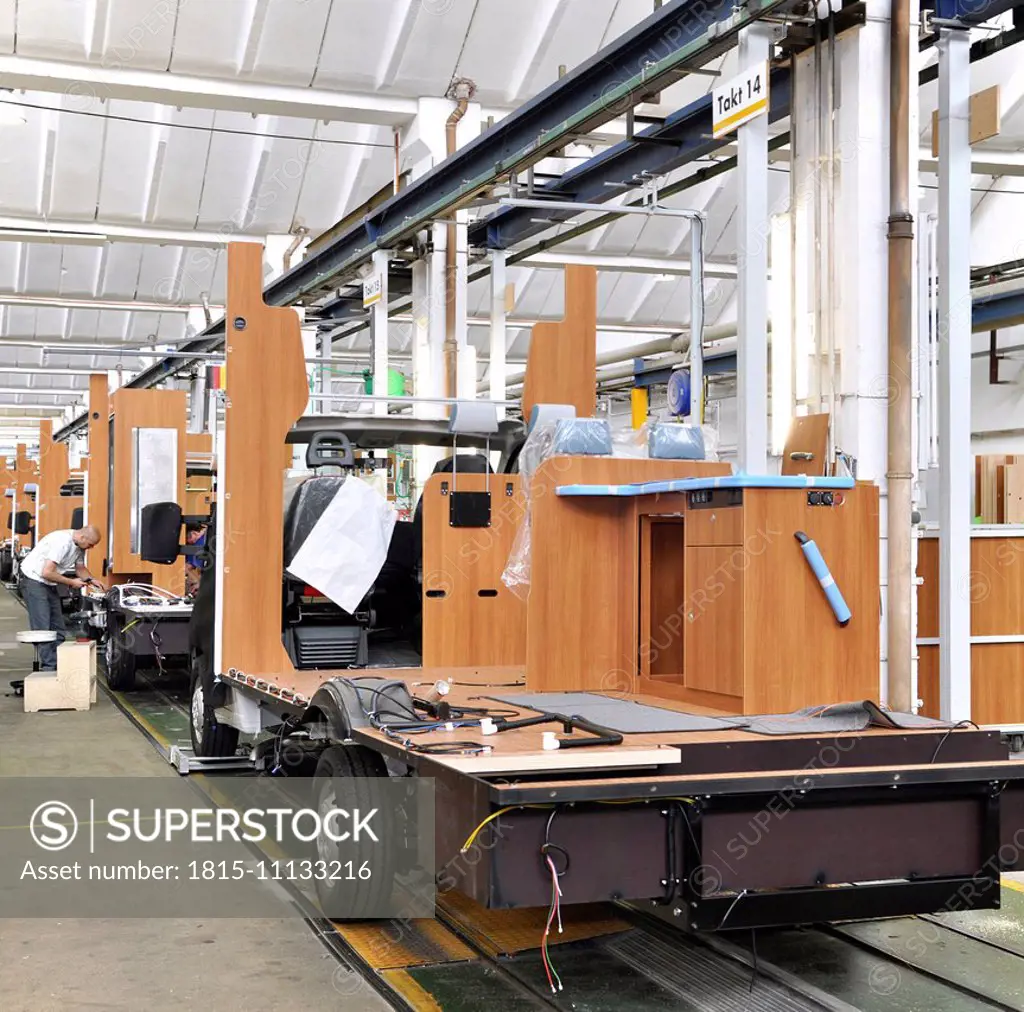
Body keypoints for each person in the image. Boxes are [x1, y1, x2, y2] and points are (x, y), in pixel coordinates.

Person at [19, 525, 105, 670]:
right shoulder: (62, 542)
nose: (91, 547)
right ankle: (49, 669)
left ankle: (60, 665)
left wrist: (91, 580)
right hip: (33, 580)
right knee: (43, 628)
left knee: (58, 627)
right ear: (83, 537)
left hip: (48, 583)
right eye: (91, 544)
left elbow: (80, 568)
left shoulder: (80, 546)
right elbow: (46, 572)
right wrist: (72, 582)